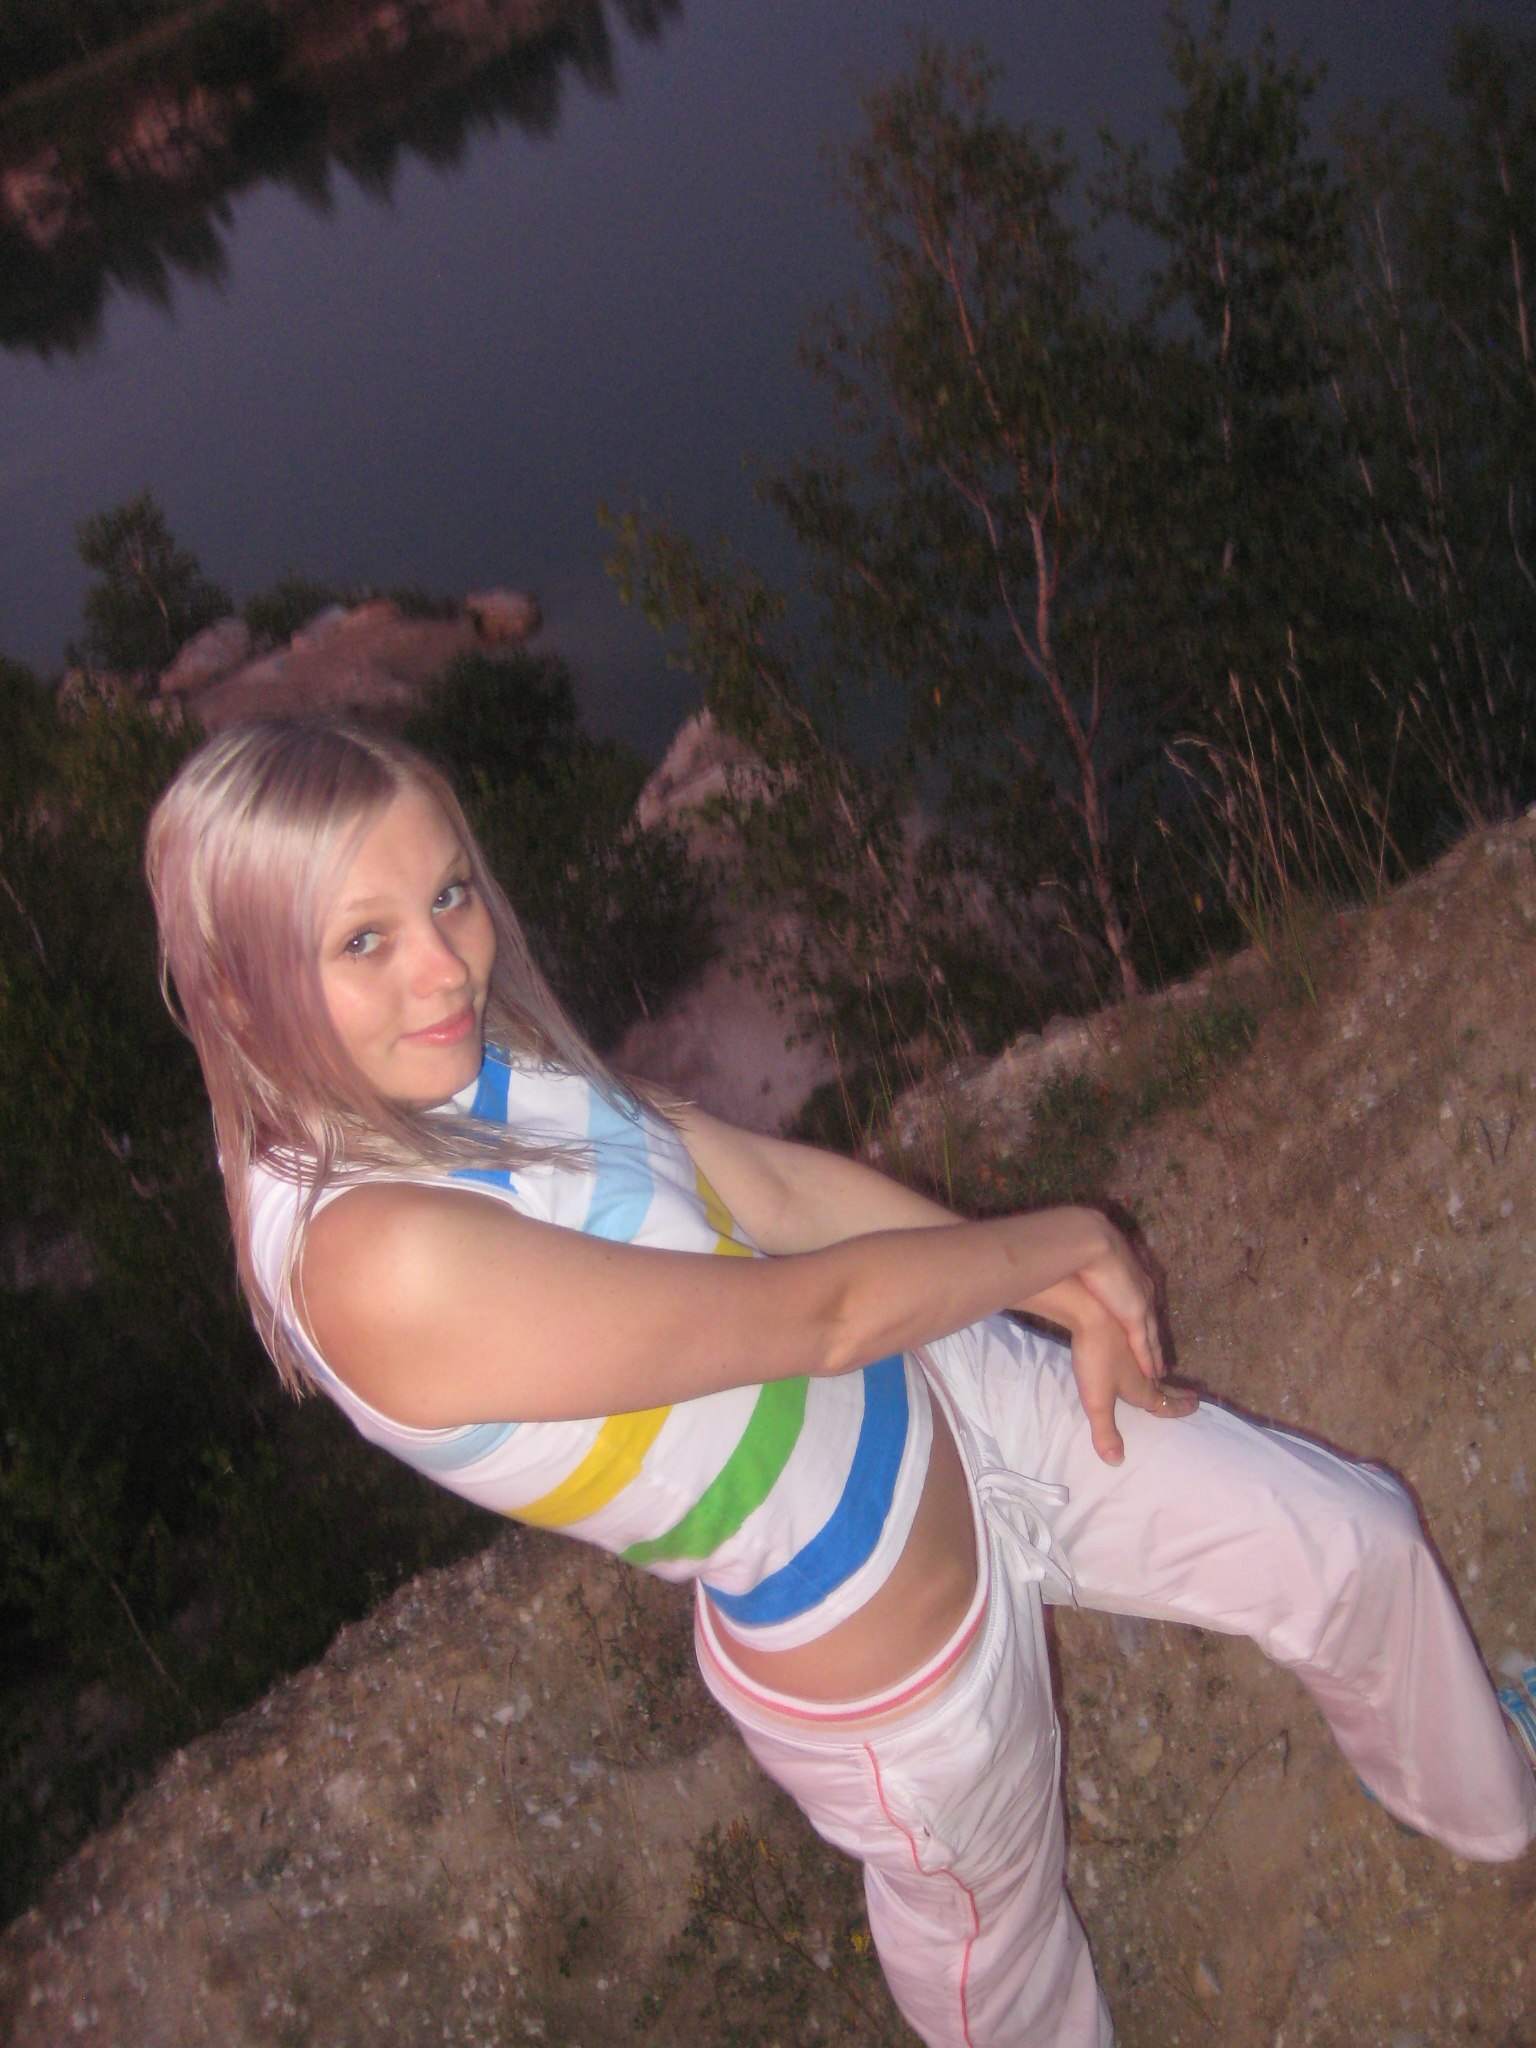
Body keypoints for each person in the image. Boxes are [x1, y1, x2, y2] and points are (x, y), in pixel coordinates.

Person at [145, 717, 1536, 2048]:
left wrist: (1037, 1292)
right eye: (364, 940)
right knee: (1005, 1960)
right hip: (895, 1656)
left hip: (956, 1393)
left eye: (450, 894)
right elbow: (814, 1318)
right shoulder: (374, 1261)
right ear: (239, 983)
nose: (445, 968)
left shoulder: (441, 1065)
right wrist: (1062, 1242)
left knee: (1355, 1537)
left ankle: (1490, 1809)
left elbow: (755, 1180)